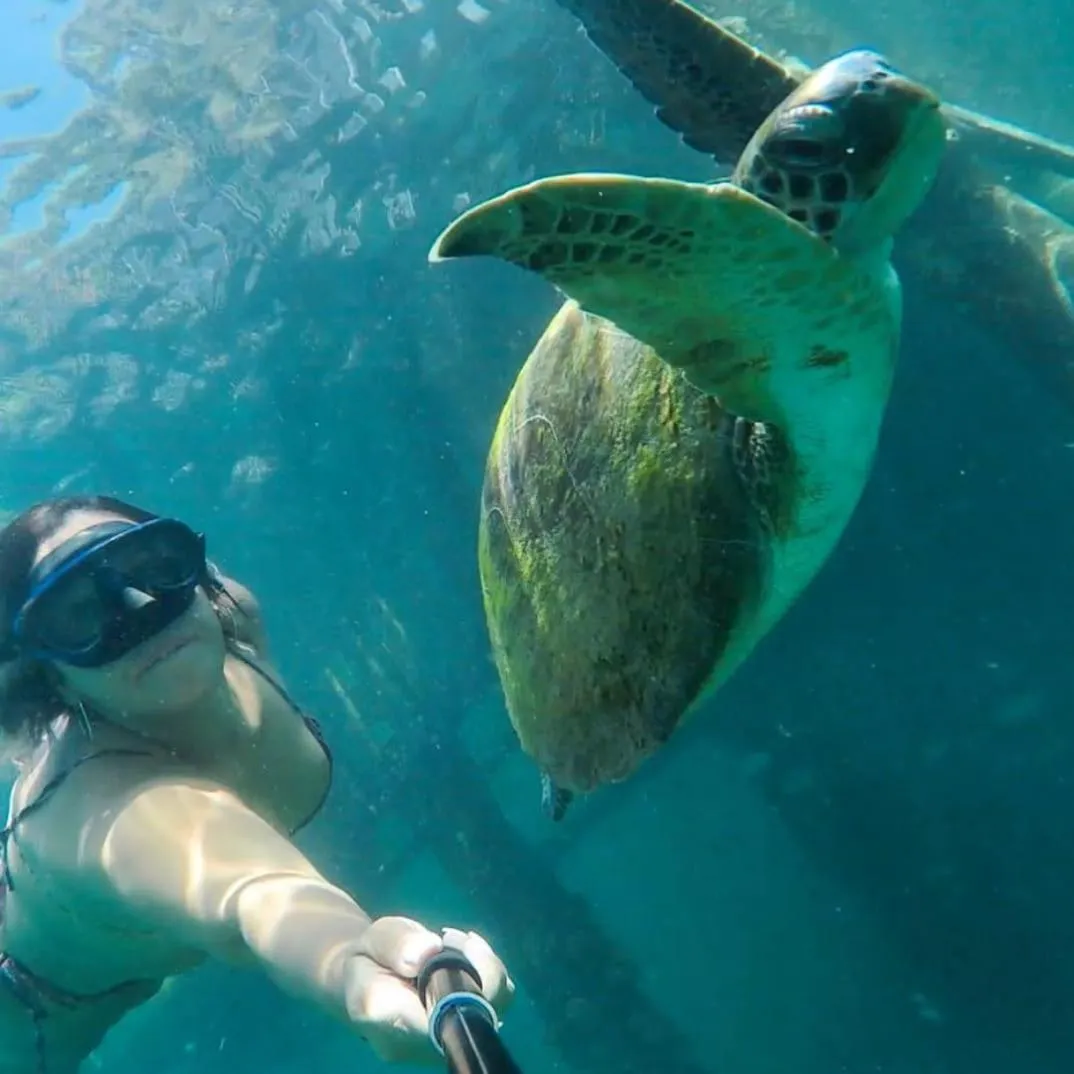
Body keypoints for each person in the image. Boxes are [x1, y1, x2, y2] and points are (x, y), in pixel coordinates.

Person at [0, 494, 513, 1074]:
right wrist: (352, 968)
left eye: (154, 565)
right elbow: (257, 893)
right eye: (78, 613)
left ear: (198, 572)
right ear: (48, 677)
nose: (142, 605)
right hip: (24, 1025)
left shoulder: (230, 622)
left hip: (123, 956)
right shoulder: (103, 805)